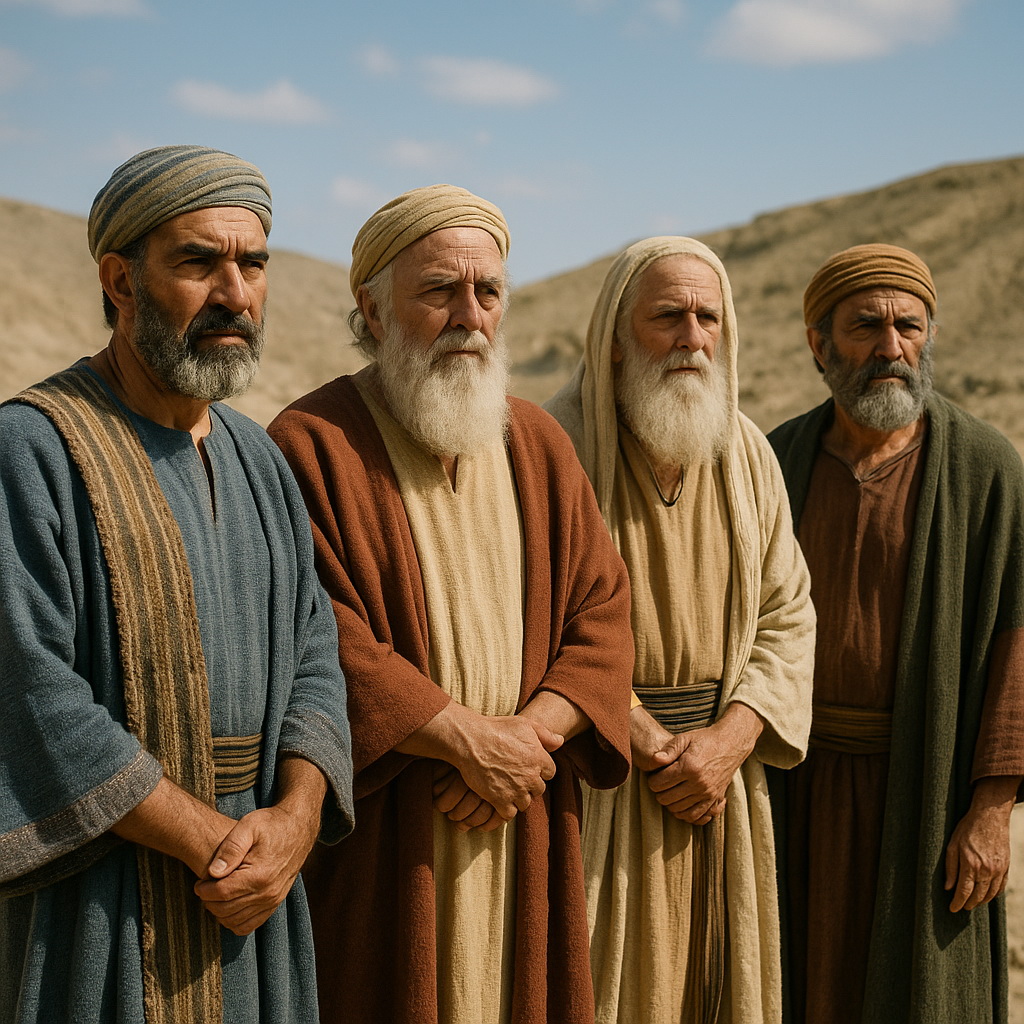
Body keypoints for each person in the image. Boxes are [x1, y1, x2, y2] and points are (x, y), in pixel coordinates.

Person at [0, 145, 355, 1023]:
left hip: (256, 885)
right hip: (106, 892)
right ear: (120, 280)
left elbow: (315, 646)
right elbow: (30, 687)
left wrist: (297, 817)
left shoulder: (259, 458)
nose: (235, 294)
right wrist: (212, 845)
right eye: (199, 262)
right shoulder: (34, 449)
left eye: (253, 264)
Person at [268, 184, 634, 1024]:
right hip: (397, 829)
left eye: (489, 292)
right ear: (372, 306)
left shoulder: (538, 440)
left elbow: (604, 608)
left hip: (523, 811)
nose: (470, 315)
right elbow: (320, 637)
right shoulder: (312, 442)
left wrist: (524, 743)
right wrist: (462, 739)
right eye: (439, 291)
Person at [545, 236, 814, 1024]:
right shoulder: (552, 445)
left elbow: (788, 613)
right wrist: (637, 733)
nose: (693, 338)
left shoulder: (750, 455)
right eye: (668, 316)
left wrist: (733, 736)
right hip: (604, 775)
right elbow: (530, 618)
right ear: (616, 338)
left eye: (708, 316)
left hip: (722, 784)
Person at [768, 243, 1024, 1024]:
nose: (891, 349)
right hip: (794, 784)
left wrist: (991, 812)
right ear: (819, 344)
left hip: (926, 787)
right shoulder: (774, 461)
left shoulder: (985, 467)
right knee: (793, 983)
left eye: (909, 328)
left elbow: (1019, 643)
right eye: (866, 327)